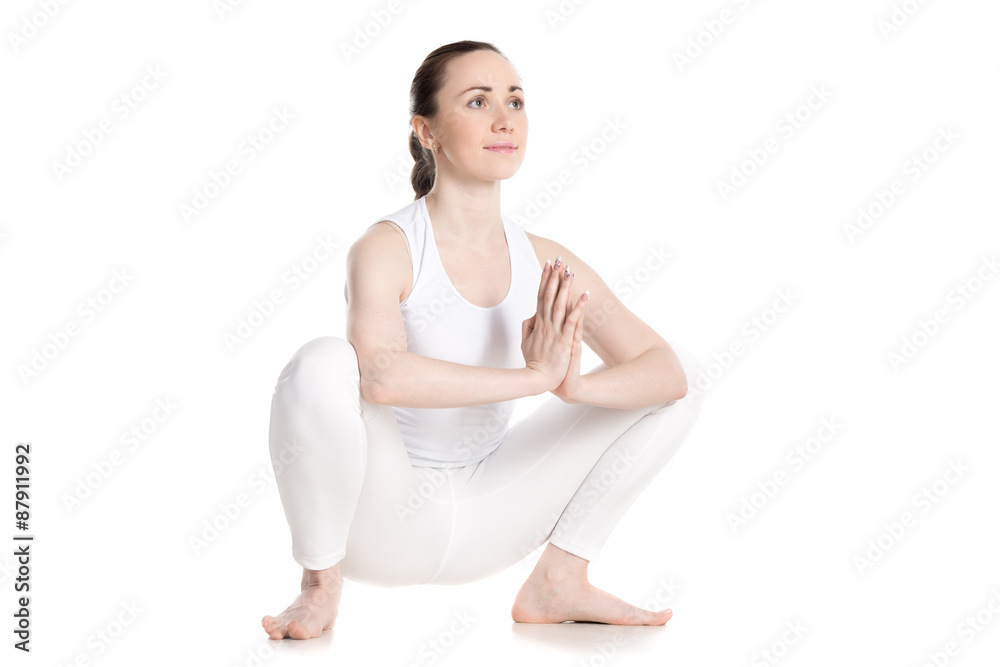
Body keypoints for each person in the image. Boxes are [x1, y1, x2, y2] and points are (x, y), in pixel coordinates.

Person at [261, 40, 706, 640]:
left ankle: (559, 580)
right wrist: (534, 379)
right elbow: (382, 376)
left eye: (516, 102)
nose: (505, 120)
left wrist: (573, 386)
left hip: (491, 516)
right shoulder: (388, 247)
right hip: (376, 521)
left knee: (685, 374)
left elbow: (665, 372)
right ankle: (319, 585)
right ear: (427, 132)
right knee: (321, 362)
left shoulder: (545, 261)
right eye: (477, 102)